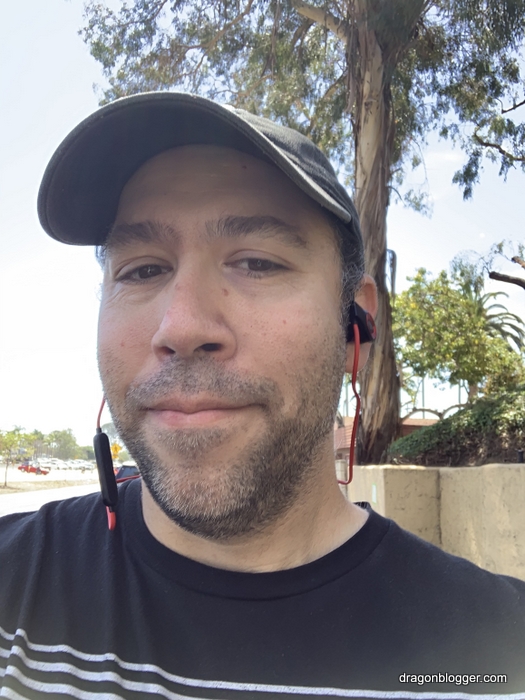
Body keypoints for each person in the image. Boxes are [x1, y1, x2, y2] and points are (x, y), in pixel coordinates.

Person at [1, 92, 524, 700]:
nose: (181, 327)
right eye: (142, 270)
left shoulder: (500, 659)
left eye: (256, 263)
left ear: (355, 329)